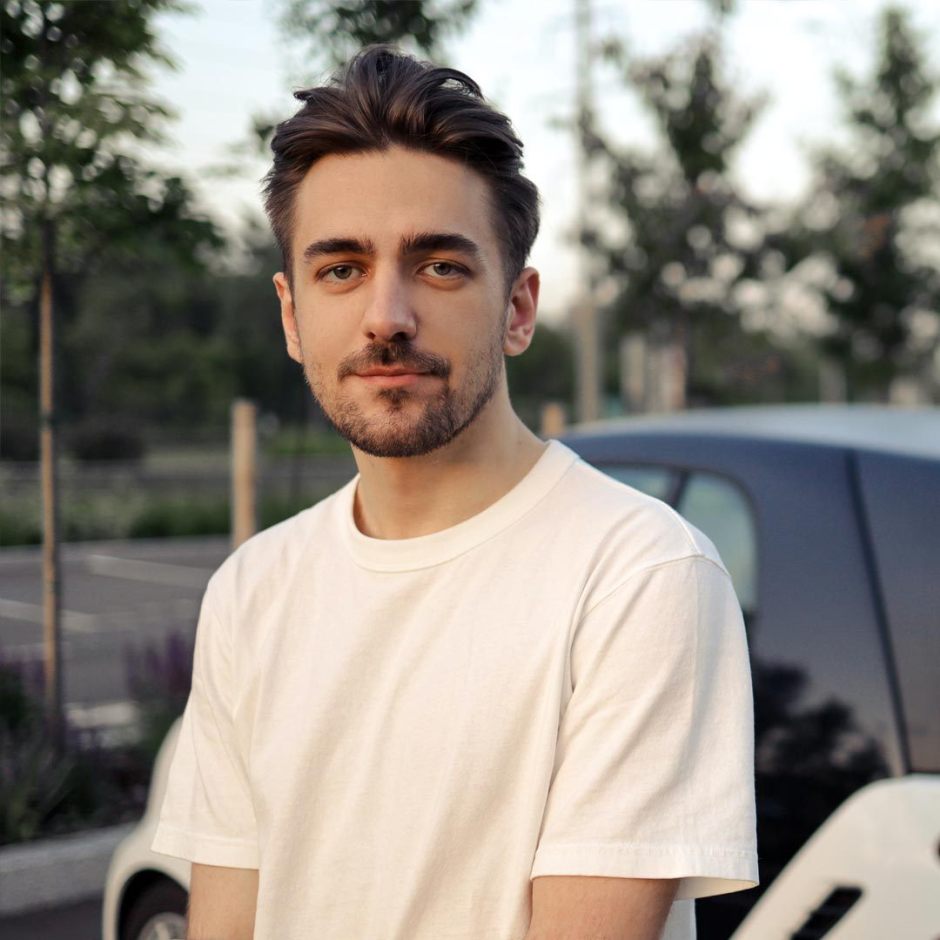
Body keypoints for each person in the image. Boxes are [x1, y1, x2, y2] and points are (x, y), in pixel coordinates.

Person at [151, 45, 758, 940]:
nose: (386, 317)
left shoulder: (638, 575)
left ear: (518, 308)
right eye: (341, 269)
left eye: (439, 266)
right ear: (290, 314)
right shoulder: (252, 590)